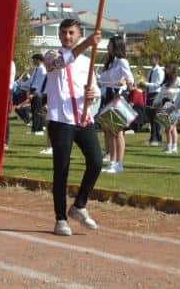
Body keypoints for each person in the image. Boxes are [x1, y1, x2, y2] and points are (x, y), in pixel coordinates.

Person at [44, 18, 102, 237]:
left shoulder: (88, 62)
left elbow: (95, 92)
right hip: (61, 120)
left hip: (83, 120)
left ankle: (79, 204)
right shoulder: (52, 55)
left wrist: (92, 96)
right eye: (64, 33)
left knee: (96, 162)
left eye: (71, 33)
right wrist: (87, 43)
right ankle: (60, 218)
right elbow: (60, 64)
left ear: (78, 34)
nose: (67, 36)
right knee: (62, 169)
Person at [98, 36, 133, 174]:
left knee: (118, 132)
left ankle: (119, 164)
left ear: (116, 46)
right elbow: (103, 80)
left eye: (109, 45)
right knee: (109, 131)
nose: (107, 47)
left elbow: (130, 78)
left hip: (117, 96)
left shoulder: (122, 61)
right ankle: (112, 161)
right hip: (107, 96)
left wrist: (125, 82)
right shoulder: (111, 62)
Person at [159, 63, 180, 154]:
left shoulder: (178, 79)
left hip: (174, 104)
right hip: (165, 103)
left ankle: (174, 147)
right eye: (166, 68)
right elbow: (161, 92)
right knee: (168, 127)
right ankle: (169, 146)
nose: (166, 70)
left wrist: (171, 91)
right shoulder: (166, 80)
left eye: (168, 68)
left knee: (171, 127)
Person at [144, 55, 164, 146]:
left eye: (152, 59)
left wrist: (146, 84)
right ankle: (153, 137)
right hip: (150, 94)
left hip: (156, 94)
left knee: (156, 117)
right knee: (151, 117)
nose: (150, 60)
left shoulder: (159, 71)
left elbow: (158, 84)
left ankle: (157, 138)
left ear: (157, 60)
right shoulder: (151, 71)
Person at [27, 53, 48, 135]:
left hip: (38, 91)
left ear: (38, 60)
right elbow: (32, 80)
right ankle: (35, 128)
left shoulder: (42, 70)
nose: (33, 61)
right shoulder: (37, 69)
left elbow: (40, 83)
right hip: (34, 90)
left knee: (37, 110)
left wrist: (36, 93)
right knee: (34, 110)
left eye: (34, 59)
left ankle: (38, 129)